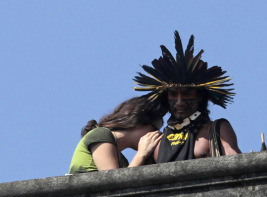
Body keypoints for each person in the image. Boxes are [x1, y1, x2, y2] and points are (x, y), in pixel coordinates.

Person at [134, 31, 241, 163]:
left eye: (186, 93)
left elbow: (238, 166)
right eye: (173, 94)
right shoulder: (156, 141)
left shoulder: (217, 129)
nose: (179, 102)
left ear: (200, 96)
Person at [68, 97, 164, 174]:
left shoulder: (122, 161)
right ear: (138, 122)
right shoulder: (101, 134)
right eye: (155, 129)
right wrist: (141, 154)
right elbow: (114, 183)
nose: (156, 134)